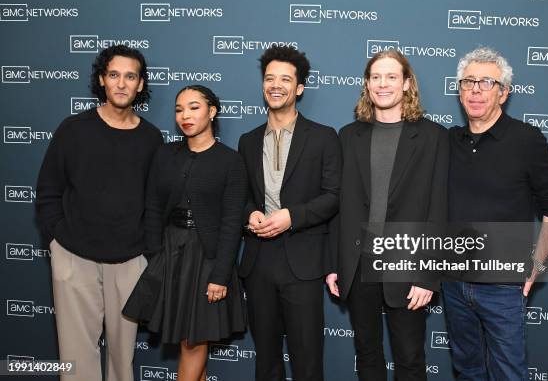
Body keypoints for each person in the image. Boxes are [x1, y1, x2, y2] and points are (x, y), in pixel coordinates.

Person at [35, 45, 162, 381]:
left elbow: (156, 203)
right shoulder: (73, 129)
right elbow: (48, 191)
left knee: (123, 361)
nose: (121, 83)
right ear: (103, 80)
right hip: (74, 257)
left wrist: (148, 253)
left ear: (140, 84)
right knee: (75, 359)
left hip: (131, 260)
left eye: (130, 76)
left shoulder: (151, 138)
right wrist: (56, 241)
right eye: (114, 74)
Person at [443, 47, 548, 380]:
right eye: (468, 81)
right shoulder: (447, 141)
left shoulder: (527, 141)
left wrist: (538, 265)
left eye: (487, 82)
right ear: (459, 90)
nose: (476, 90)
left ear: (504, 92)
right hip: (453, 283)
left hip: (502, 286)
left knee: (508, 373)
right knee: (467, 370)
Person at [326, 49, 448, 381]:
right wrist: (334, 265)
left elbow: (438, 209)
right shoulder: (348, 136)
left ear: (407, 83)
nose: (383, 84)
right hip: (358, 263)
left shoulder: (433, 137)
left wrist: (427, 274)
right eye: (375, 77)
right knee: (367, 353)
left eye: (392, 77)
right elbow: (340, 207)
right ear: (366, 84)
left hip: (407, 264)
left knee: (409, 358)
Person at [123, 85, 247, 381]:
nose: (185, 115)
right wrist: (156, 254)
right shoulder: (165, 155)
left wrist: (220, 274)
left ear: (212, 112)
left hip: (208, 257)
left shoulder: (230, 161)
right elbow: (152, 206)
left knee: (194, 339)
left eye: (194, 107)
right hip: (170, 252)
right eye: (179, 109)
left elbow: (232, 222)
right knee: (189, 337)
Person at [238, 46, 342, 381]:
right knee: (266, 358)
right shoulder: (247, 140)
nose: (276, 85)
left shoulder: (324, 137)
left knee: (307, 358)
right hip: (258, 263)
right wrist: (250, 213)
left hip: (303, 260)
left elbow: (333, 197)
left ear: (299, 88)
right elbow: (239, 198)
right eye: (269, 79)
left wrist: (291, 217)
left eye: (285, 79)